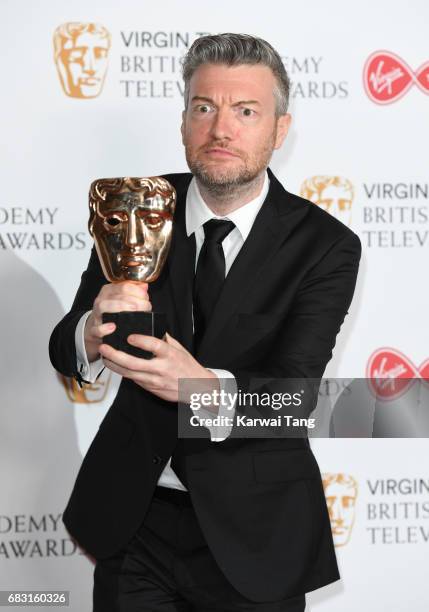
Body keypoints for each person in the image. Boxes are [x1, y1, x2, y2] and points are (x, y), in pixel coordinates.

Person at [49, 33, 362, 612]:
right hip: (132, 521)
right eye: (204, 107)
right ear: (184, 120)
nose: (221, 129)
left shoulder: (324, 246)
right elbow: (65, 342)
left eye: (246, 111)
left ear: (280, 129)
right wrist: (87, 332)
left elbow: (296, 399)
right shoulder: (138, 206)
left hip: (256, 536)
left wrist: (202, 389)